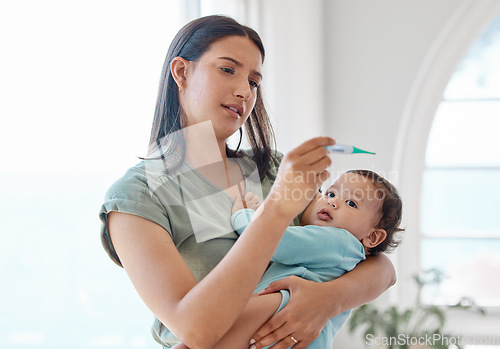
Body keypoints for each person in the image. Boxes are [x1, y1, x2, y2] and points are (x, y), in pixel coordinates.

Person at [99, 15, 396, 349]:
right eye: (227, 69)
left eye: (254, 82)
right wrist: (277, 210)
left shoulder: (272, 168)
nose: (244, 92)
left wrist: (328, 299)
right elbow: (195, 329)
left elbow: (378, 267)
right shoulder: (137, 197)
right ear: (181, 72)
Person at [223, 169, 404, 348]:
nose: (332, 202)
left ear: (372, 237)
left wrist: (244, 215)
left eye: (351, 203)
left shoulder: (338, 240)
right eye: (331, 193)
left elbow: (273, 242)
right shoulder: (348, 257)